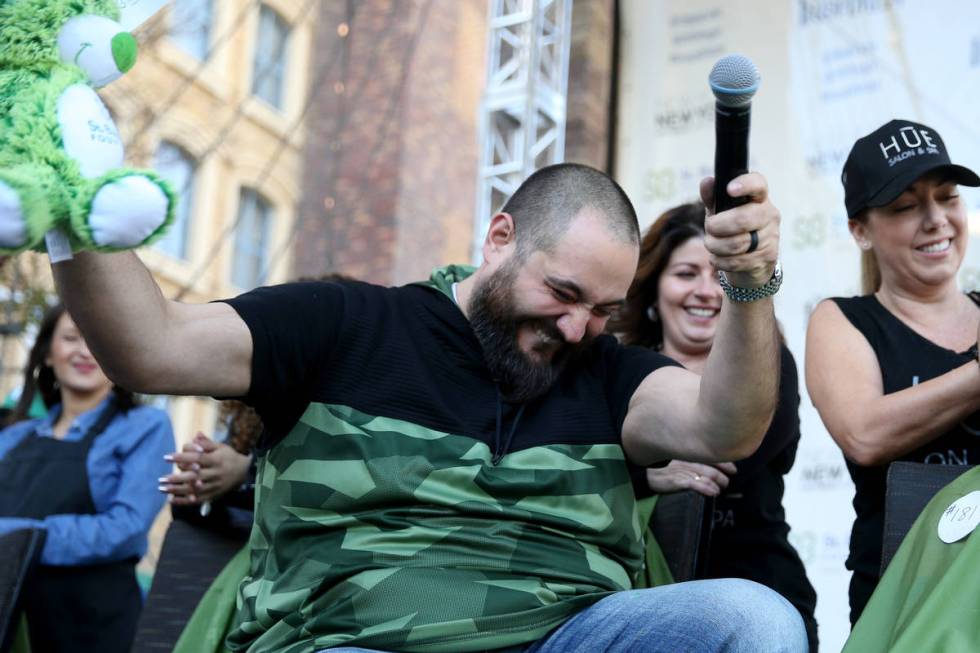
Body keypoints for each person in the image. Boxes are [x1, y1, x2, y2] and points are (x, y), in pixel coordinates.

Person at [51, 163, 805, 652]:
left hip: (563, 634)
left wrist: (750, 282)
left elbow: (726, 425)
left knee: (756, 620)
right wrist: (64, 190)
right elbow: (149, 345)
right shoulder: (345, 322)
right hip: (356, 637)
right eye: (564, 293)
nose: (577, 327)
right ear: (499, 238)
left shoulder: (605, 371)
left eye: (604, 308)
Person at [612, 202, 819, 650]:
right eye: (686, 273)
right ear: (653, 288)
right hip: (638, 603)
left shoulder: (769, 366)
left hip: (762, 599)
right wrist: (644, 476)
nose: (706, 290)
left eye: (720, 275)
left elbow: (733, 447)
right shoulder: (614, 370)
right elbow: (579, 462)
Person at [806, 118, 980, 625]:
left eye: (947, 197)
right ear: (860, 230)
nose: (935, 219)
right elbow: (864, 433)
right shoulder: (841, 320)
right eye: (906, 206)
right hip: (906, 608)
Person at [0, 303, 174, 652]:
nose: (84, 351)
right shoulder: (13, 437)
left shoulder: (146, 427)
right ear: (48, 353)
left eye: (98, 340)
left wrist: (19, 537)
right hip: (10, 620)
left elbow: (126, 528)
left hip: (94, 628)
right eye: (71, 338)